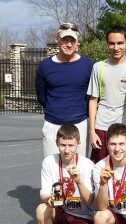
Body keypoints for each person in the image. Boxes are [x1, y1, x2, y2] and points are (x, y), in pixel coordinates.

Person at [36, 124, 95, 224]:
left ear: (78, 144)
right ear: (57, 143)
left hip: (80, 215)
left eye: (71, 145)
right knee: (41, 209)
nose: (66, 150)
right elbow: (43, 195)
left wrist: (78, 181)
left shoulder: (87, 165)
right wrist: (50, 199)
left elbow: (89, 201)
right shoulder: (49, 162)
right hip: (60, 210)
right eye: (63, 145)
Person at [36, 23, 93, 158]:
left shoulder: (88, 65)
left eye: (72, 40)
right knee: (52, 168)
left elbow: (92, 96)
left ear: (77, 41)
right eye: (65, 40)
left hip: (80, 125)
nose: (68, 44)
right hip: (53, 125)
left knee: (79, 169)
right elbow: (41, 97)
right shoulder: (45, 66)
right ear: (57, 39)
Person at [87, 26, 126, 163]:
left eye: (120, 43)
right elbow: (93, 100)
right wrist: (92, 131)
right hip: (102, 129)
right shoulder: (98, 67)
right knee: (99, 172)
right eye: (112, 43)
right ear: (107, 44)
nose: (116, 47)